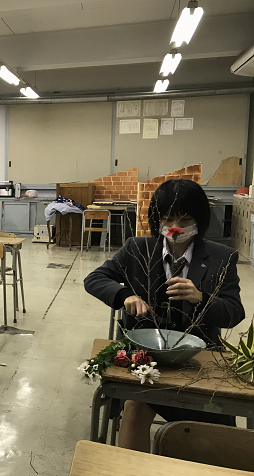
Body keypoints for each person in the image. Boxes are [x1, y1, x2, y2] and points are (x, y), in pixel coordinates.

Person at [84, 179, 245, 452]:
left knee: (210, 434)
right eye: (167, 218)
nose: (175, 227)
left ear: (200, 220)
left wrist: (201, 298)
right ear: (157, 219)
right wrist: (125, 296)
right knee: (134, 406)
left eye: (185, 219)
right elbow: (95, 279)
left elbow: (234, 313)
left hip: (198, 362)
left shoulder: (221, 258)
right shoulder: (138, 249)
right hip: (146, 359)